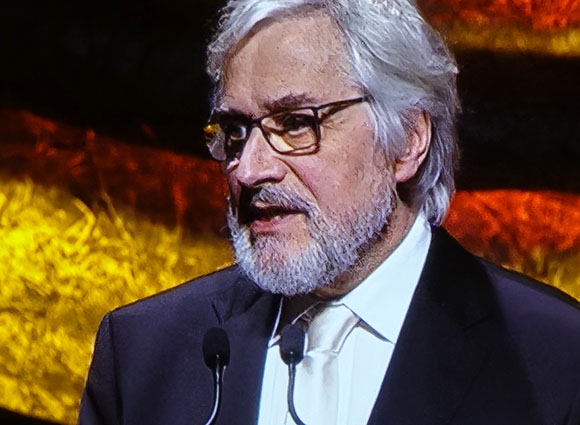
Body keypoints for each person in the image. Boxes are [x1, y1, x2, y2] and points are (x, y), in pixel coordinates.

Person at [79, 1, 580, 424]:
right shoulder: (143, 354)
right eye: (235, 131)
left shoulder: (557, 358)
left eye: (296, 123)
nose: (248, 170)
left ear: (407, 140)